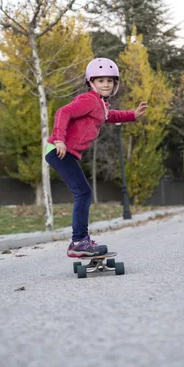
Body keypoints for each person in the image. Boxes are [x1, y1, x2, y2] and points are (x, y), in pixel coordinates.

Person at [45, 57, 148, 257]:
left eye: (110, 81)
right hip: (57, 150)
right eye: (101, 80)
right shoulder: (88, 100)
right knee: (83, 192)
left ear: (115, 84)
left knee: (83, 191)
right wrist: (59, 139)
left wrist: (133, 114)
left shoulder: (100, 105)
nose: (106, 84)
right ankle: (78, 241)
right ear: (91, 82)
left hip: (64, 152)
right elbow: (63, 111)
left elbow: (112, 116)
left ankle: (80, 240)